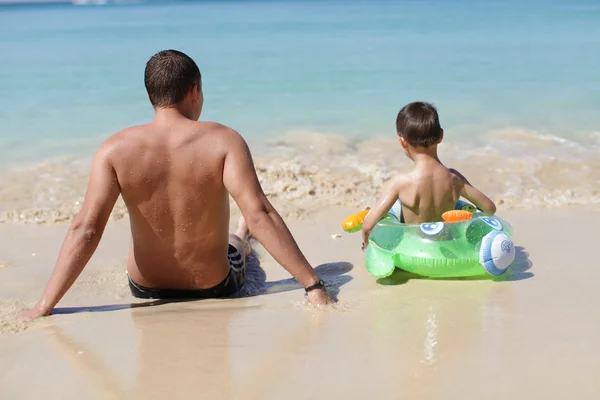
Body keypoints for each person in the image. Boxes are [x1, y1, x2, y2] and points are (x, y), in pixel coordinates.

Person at [20, 49, 330, 319]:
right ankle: (240, 236)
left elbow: (85, 229)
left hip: (144, 288)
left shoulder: (113, 149)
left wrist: (44, 305)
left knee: (228, 241)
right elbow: (260, 214)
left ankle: (238, 236)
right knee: (237, 245)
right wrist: (313, 286)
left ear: (151, 95)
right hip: (214, 287)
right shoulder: (224, 140)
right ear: (195, 91)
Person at [361, 101, 496, 248]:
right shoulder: (454, 179)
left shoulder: (400, 183)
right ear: (441, 136)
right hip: (444, 246)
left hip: (413, 250)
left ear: (402, 141)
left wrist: (366, 244)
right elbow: (489, 208)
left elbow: (368, 225)